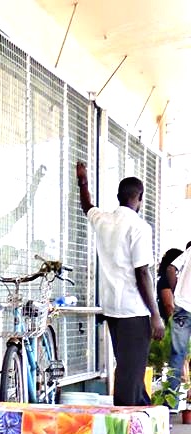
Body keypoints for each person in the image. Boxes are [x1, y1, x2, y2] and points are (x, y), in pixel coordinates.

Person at [74, 162, 165, 406]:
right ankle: (126, 428)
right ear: (141, 198)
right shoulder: (139, 227)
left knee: (129, 370)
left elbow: (87, 206)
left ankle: (143, 424)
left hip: (112, 309)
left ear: (118, 197)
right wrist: (155, 315)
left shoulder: (103, 220)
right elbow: (143, 273)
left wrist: (83, 181)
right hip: (134, 310)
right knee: (129, 374)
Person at [162, 245, 191, 407]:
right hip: (184, 307)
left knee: (177, 355)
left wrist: (177, 292)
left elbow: (171, 268)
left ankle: (170, 404)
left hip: (183, 308)